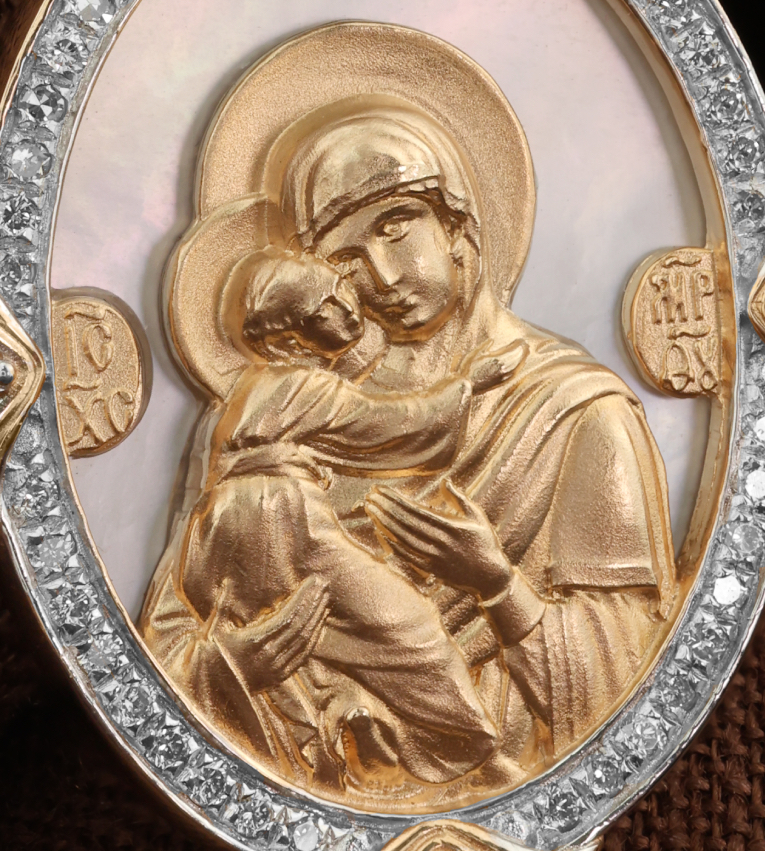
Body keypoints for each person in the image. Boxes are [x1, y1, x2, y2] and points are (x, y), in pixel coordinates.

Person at [284, 107, 678, 781]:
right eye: (346, 258)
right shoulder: (316, 412)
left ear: (457, 224)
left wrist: (494, 583)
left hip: (509, 769)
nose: (381, 275)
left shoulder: (577, 413)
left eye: (395, 227)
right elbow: (198, 610)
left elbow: (621, 676)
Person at [144, 249, 522, 791]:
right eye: (325, 305)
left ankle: (349, 711)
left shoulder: (261, 390)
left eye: (340, 289)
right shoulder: (301, 383)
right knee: (408, 624)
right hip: (280, 519)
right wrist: (468, 385)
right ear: (291, 335)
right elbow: (390, 425)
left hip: (230, 523)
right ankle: (462, 742)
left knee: (312, 630)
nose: (348, 307)